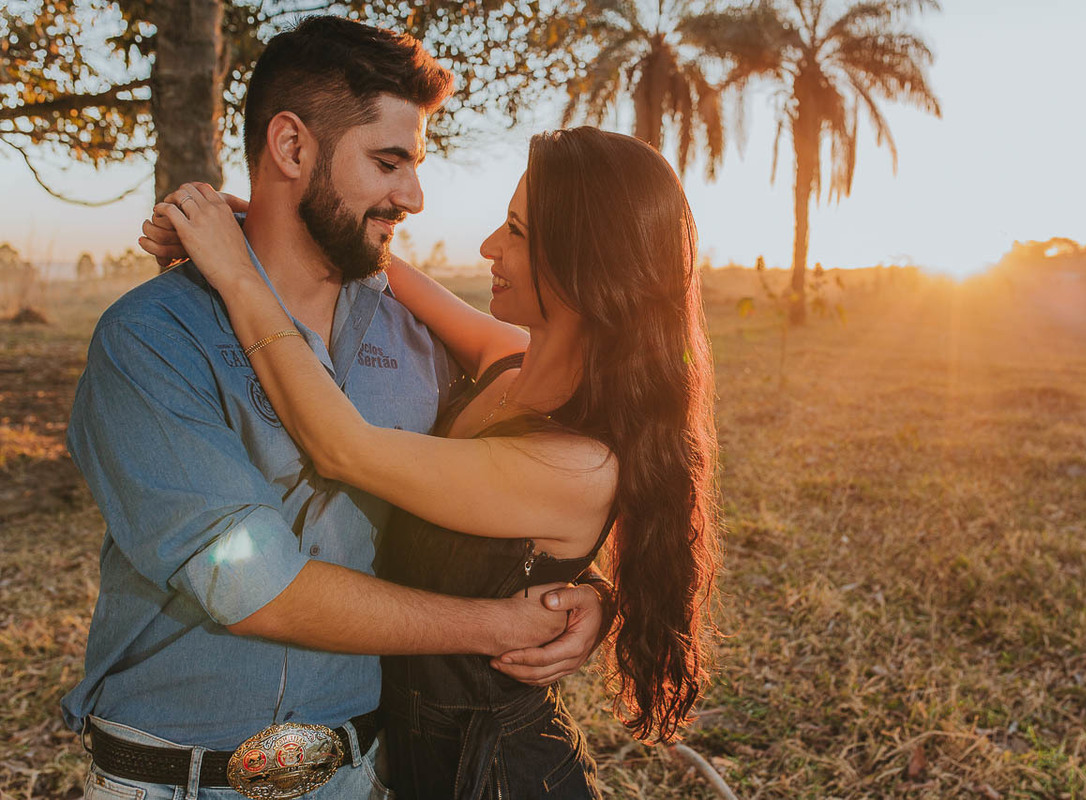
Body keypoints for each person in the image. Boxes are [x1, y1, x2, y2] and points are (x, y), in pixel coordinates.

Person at [69, 17, 607, 800]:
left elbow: (533, 473)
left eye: (414, 165)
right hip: (175, 783)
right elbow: (249, 585)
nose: (414, 196)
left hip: (358, 776)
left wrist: (584, 593)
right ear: (291, 148)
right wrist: (497, 626)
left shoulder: (419, 342)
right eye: (389, 162)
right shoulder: (151, 338)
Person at [143, 125, 721, 800]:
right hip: (410, 759)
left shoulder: (577, 464)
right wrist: (252, 218)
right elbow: (381, 267)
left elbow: (341, 446)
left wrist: (237, 275)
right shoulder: (509, 360)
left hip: (496, 774)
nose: (488, 248)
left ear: (586, 266)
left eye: (517, 231)